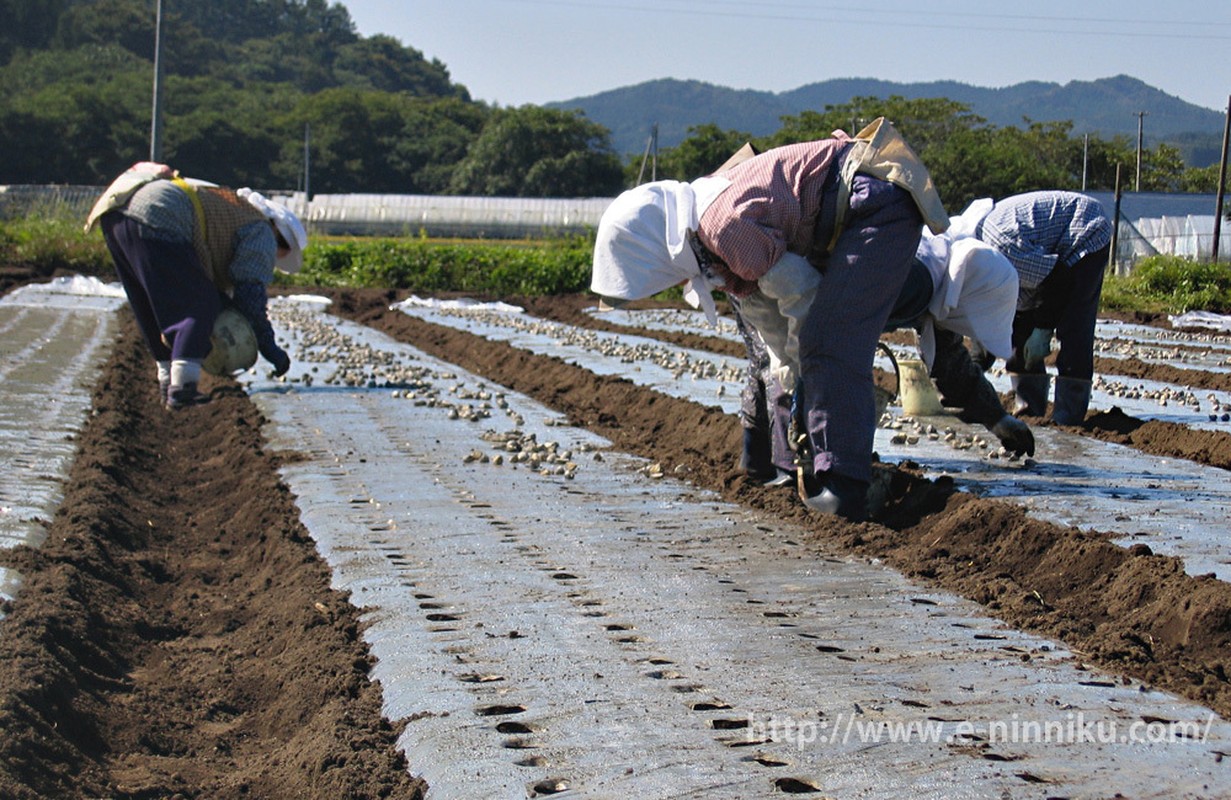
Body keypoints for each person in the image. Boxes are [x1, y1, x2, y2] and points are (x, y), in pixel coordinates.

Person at [591, 118, 948, 521]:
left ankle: (845, 484)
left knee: (831, 340)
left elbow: (803, 297)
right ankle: (813, 464)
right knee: (805, 356)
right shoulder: (709, 247)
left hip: (876, 201)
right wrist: (790, 372)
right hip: (850, 213)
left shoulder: (721, 226)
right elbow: (769, 318)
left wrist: (806, 370)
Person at [85, 162, 306, 409]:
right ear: (278, 232)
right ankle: (183, 390)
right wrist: (267, 343)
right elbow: (249, 293)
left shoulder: (232, 213)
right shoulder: (262, 231)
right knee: (199, 303)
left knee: (150, 306)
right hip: (159, 212)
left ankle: (168, 381)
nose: (278, 256)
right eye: (283, 249)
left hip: (117, 215)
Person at [882, 227, 1034, 457]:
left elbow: (952, 367)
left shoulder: (947, 292)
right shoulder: (917, 280)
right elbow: (844, 332)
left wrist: (998, 419)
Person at [973, 190, 1112, 425]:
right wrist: (973, 367)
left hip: (1085, 230)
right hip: (1044, 246)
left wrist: (1044, 328)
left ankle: (1068, 418)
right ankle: (1029, 411)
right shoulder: (975, 265)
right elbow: (990, 318)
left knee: (1074, 325)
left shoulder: (1005, 249)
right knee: (1018, 323)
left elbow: (1059, 280)